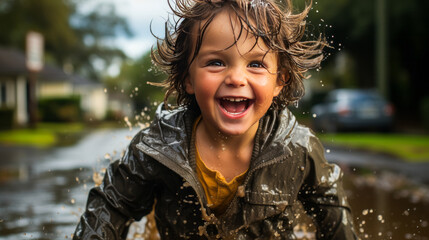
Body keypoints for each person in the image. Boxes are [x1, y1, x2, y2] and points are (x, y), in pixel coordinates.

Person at [73, 0, 358, 239]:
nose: (236, 78)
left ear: (280, 81)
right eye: (216, 62)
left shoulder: (296, 149)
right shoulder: (158, 147)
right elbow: (112, 205)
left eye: (256, 64)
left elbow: (332, 213)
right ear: (188, 78)